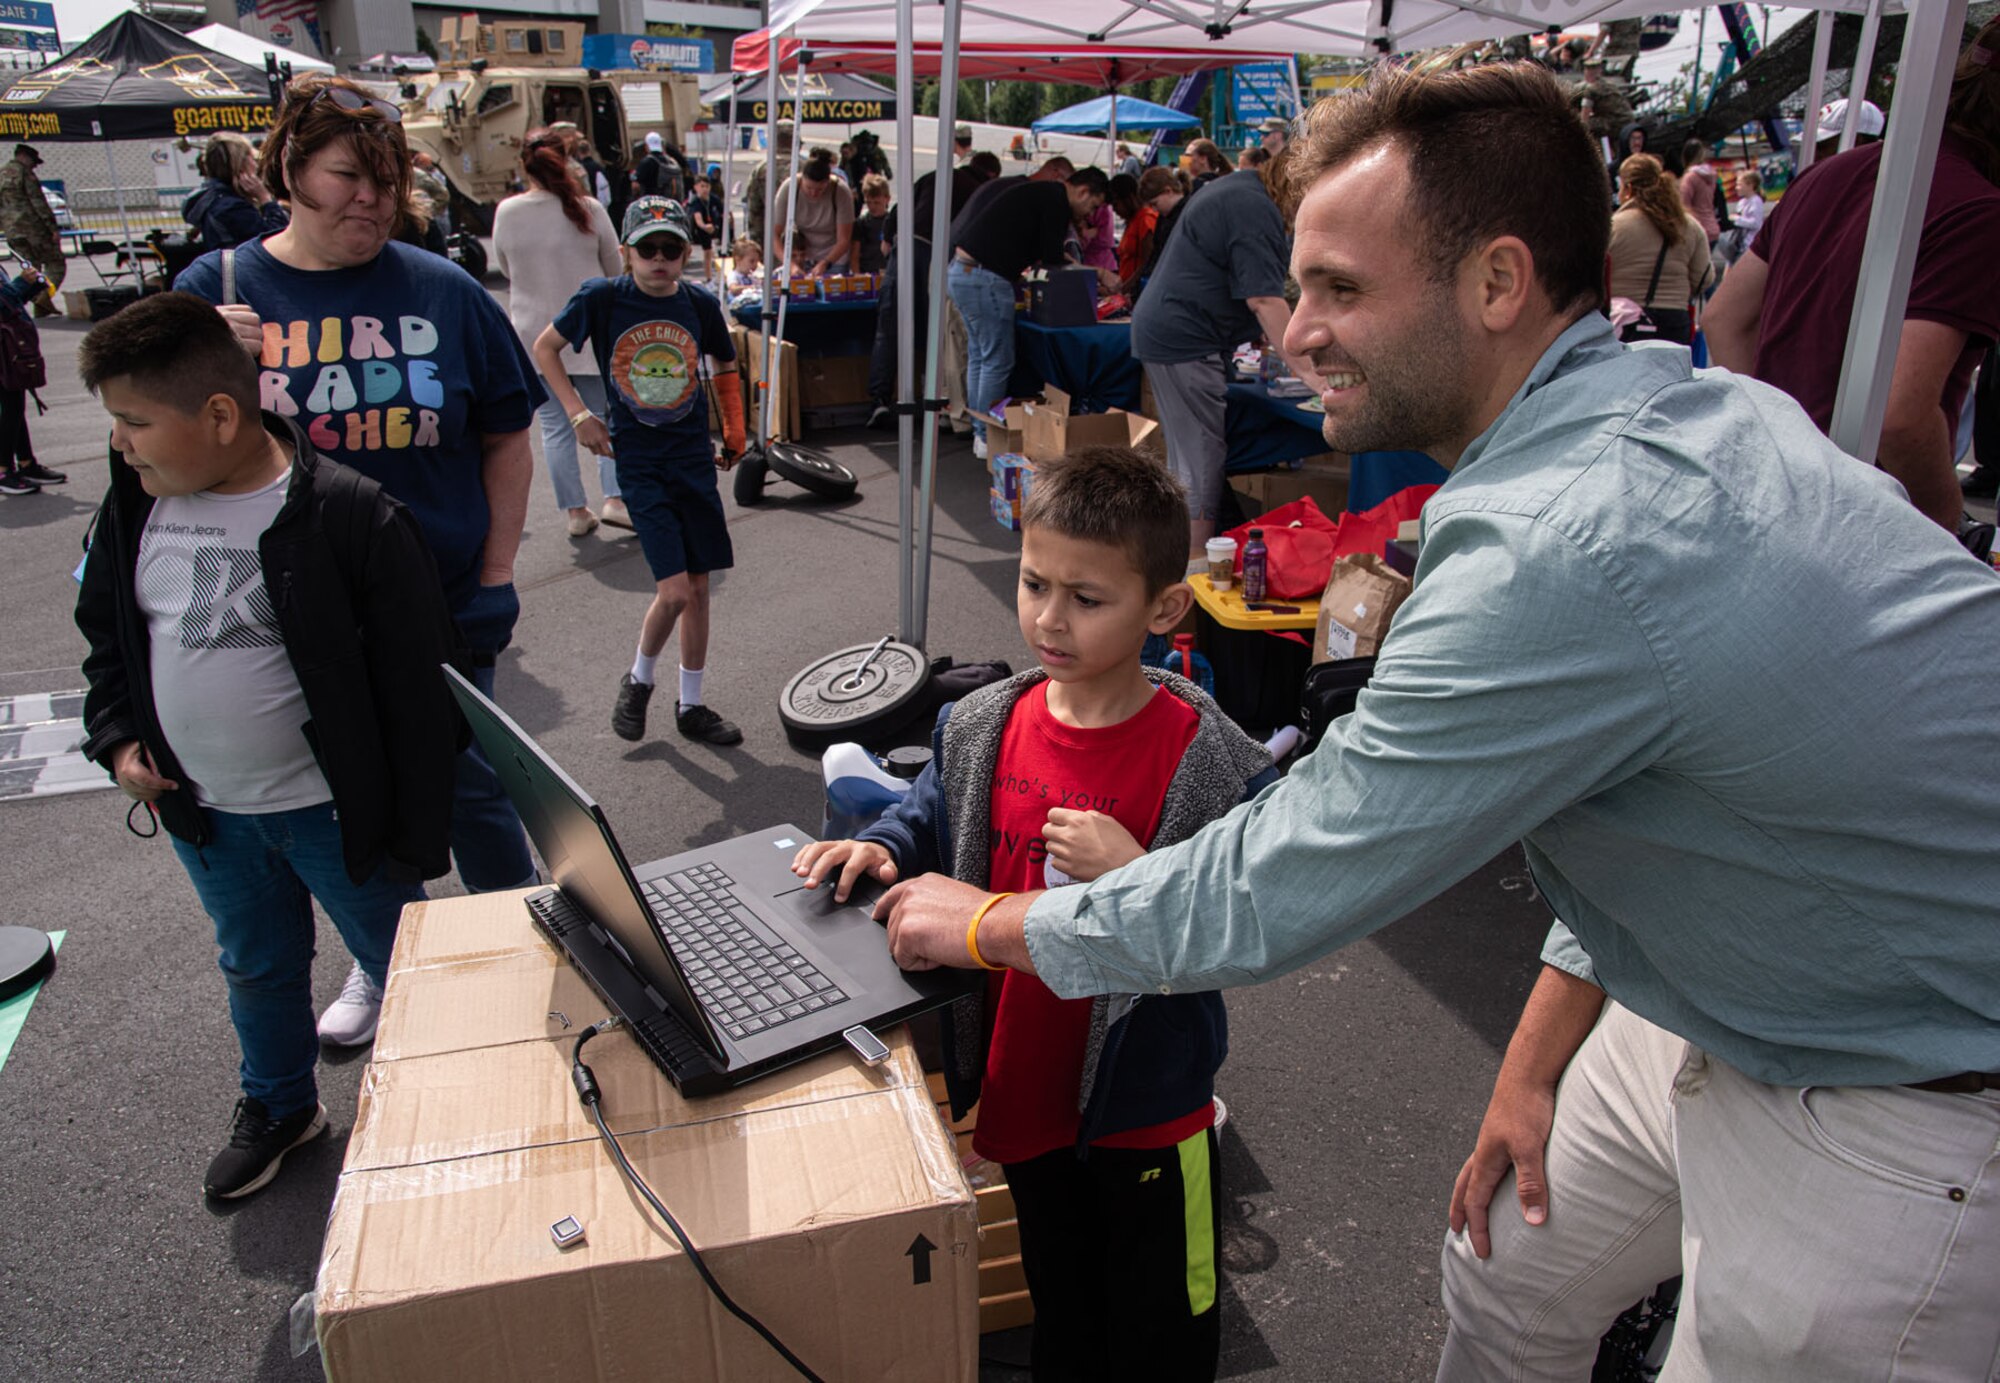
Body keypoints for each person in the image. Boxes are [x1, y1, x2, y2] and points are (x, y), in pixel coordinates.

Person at [877, 62, 2000, 1382]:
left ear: (1497, 284)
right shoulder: (1657, 413)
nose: (1295, 332)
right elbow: (1665, 786)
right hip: (1737, 988)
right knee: (1507, 1275)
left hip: (1914, 1085)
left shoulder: (1563, 539)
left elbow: (1289, 874)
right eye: (1302, 286)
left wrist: (986, 922)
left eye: (1342, 289)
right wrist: (1528, 1065)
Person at [794, 446, 1274, 1382]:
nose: (1049, 618)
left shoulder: (1207, 760)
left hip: (1147, 1112)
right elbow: (932, 811)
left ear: (1164, 609)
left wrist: (1138, 871)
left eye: (1087, 598)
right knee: (1064, 1310)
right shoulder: (983, 723)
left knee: (1163, 1331)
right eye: (1033, 583)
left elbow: (1242, 913)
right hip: (1026, 1092)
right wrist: (886, 844)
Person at [176, 74, 544, 1044]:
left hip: (441, 602)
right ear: (286, 171)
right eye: (346, 176)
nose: (371, 201)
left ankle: (542, 951)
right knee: (346, 799)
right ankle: (391, 966)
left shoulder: (445, 289)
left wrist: (499, 574)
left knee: (473, 791)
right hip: (284, 614)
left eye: (386, 180)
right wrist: (203, 369)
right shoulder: (214, 292)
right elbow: (161, 458)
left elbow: (507, 434)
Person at [73, 292, 463, 1199]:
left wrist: (405, 822)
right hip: (208, 816)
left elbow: (423, 690)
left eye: (134, 422)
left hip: (336, 817)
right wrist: (118, 738)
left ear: (218, 414)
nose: (120, 444)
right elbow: (110, 638)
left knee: (405, 967)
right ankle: (282, 1104)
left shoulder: (350, 515)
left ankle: (451, 1101)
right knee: (255, 964)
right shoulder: (138, 504)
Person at [1705, 18, 2000, 533]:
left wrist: (1780, 443)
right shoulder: (1978, 211)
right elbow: (1901, 415)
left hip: (1781, 494)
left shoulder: (1826, 173)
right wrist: (1944, 528)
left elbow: (1723, 318)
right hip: (1869, 525)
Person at [533, 197, 749, 748]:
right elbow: (545, 349)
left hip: (691, 457)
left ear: (685, 254)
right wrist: (579, 415)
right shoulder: (603, 298)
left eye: (671, 249)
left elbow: (725, 360)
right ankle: (639, 679)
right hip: (640, 461)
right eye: (647, 249)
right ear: (626, 251)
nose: (659, 260)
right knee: (673, 591)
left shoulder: (698, 303)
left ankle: (692, 705)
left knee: (699, 588)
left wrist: (733, 429)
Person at [1132, 151, 1321, 550]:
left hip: (1176, 334)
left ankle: (1184, 557)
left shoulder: (1242, 189)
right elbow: (1265, 301)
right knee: (1199, 460)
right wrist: (1310, 373)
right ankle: (1194, 565)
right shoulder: (1253, 206)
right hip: (1184, 340)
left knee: (1190, 458)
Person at [493, 128, 628, 540]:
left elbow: (503, 268)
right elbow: (615, 270)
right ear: (567, 160)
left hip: (533, 334)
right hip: (588, 331)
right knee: (606, 415)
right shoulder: (587, 207)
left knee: (555, 426)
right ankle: (616, 499)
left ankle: (575, 511)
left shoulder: (507, 211)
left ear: (524, 165)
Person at [949, 167, 1115, 458]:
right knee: (996, 361)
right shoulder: (1055, 200)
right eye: (1094, 205)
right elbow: (1053, 260)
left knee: (981, 357)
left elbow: (1049, 255)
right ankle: (987, 435)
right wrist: (1097, 273)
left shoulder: (1042, 194)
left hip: (963, 272)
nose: (1091, 213)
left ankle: (980, 431)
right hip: (985, 277)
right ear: (1083, 191)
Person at [868, 152, 1001, 426]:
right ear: (991, 175)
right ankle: (938, 403)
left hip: (903, 245)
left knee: (890, 326)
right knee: (940, 331)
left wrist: (888, 236)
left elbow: (899, 207)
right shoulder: (979, 191)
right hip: (937, 254)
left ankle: (879, 400)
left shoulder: (936, 176)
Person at [1607, 153, 1709, 346]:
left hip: (1624, 323)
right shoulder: (1690, 226)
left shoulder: (1613, 226)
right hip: (1675, 323)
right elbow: (1704, 278)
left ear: (1627, 188)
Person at [0, 261, 59, 495]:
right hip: (5, 350)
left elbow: (12, 303)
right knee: (11, 407)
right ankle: (4, 470)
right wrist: (23, 282)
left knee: (14, 406)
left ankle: (25, 463)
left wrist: (31, 285)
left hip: (11, 347)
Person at [182, 133, 289, 250]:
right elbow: (277, 240)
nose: (256, 165)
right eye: (252, 160)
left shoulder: (214, 198)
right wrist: (265, 199)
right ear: (240, 165)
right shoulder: (231, 207)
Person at [0, 143, 63, 317]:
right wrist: (52, 227)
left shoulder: (1, 173)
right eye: (34, 162)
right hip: (33, 229)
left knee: (30, 269)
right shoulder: (25, 174)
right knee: (56, 264)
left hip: (12, 231)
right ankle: (44, 296)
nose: (34, 165)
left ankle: (40, 307)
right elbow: (38, 203)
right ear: (24, 157)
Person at [773, 148, 855, 277]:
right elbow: (774, 234)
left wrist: (825, 263)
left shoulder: (841, 191)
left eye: (820, 189)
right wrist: (790, 264)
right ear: (802, 178)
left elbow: (844, 239)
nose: (814, 193)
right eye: (809, 188)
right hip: (802, 254)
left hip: (834, 255)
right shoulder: (789, 188)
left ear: (828, 182)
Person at [1137, 166, 1188, 281]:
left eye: (1155, 203)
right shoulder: (1164, 217)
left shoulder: (1187, 215)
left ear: (1168, 191)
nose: (1154, 209)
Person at [1108, 172, 1155, 291]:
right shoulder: (1133, 220)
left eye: (1116, 204)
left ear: (1129, 198)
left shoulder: (1146, 219)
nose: (1114, 209)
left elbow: (1147, 263)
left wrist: (1125, 288)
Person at [1677, 138, 1721, 247]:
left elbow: (1684, 205)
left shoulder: (1690, 177)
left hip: (1698, 229)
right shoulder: (1711, 175)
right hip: (1712, 226)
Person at [852, 172, 891, 275]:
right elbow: (854, 254)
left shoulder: (892, 222)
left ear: (887, 199)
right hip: (866, 272)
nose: (872, 207)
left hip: (887, 271)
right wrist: (857, 275)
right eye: (869, 202)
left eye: (877, 202)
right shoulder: (861, 223)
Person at [410, 149, 452, 237]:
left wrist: (427, 211)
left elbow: (443, 195)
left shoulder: (418, 175)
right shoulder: (416, 174)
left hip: (428, 220)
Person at [686, 173, 722, 254]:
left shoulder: (714, 198)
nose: (705, 189)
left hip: (713, 226)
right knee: (707, 250)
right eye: (702, 186)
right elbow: (698, 219)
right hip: (698, 229)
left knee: (710, 251)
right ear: (696, 187)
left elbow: (722, 211)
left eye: (707, 186)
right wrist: (705, 227)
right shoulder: (695, 201)